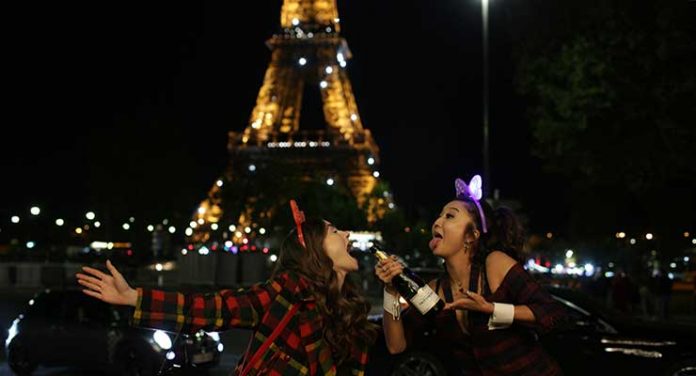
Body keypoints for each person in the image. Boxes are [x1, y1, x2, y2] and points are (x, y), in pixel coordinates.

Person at [76, 200, 377, 375]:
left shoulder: (349, 308)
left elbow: (395, 348)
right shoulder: (285, 294)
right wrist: (134, 298)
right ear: (315, 250)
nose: (348, 233)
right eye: (336, 231)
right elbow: (213, 308)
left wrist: (393, 291)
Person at [375, 176, 567, 375]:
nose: (437, 222)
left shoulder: (494, 264)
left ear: (471, 236)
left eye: (449, 216)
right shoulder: (435, 290)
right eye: (439, 216)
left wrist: (491, 309)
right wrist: (391, 291)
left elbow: (554, 313)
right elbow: (396, 345)